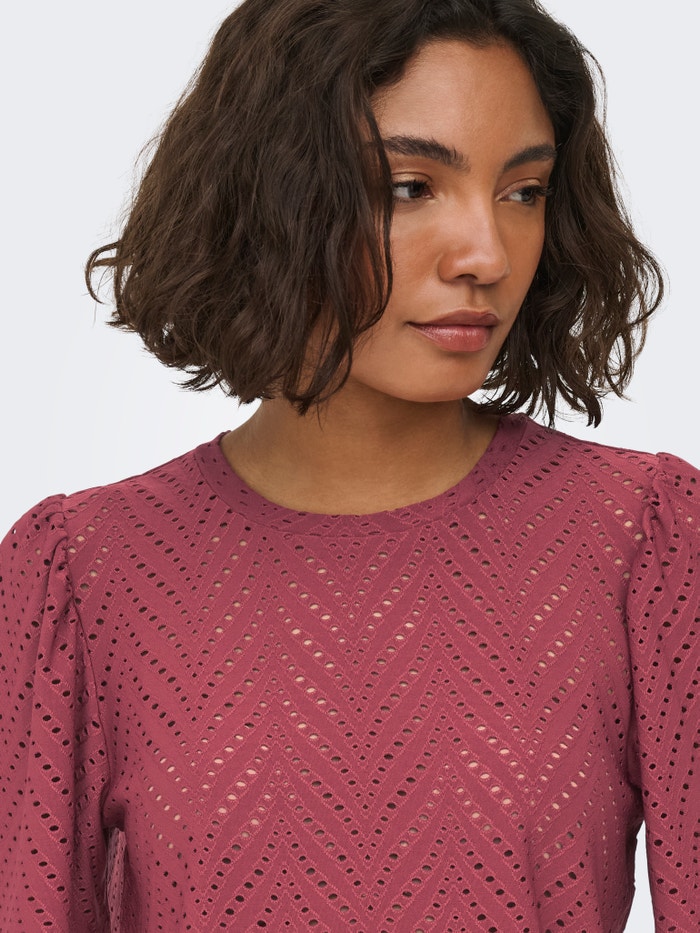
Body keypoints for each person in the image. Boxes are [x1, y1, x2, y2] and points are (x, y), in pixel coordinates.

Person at [1, 0, 697, 929]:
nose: (486, 254)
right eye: (409, 187)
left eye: (524, 191)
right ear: (269, 196)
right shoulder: (82, 575)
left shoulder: (645, 539)